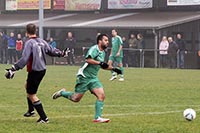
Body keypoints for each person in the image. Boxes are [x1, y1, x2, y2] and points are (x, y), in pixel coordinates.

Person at [52, 34, 122, 123]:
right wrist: (100, 63)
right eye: (105, 40)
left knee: (101, 96)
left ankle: (97, 118)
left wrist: (114, 69)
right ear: (100, 41)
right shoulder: (94, 49)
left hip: (93, 78)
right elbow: (88, 60)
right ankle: (62, 93)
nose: (107, 42)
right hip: (84, 77)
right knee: (75, 98)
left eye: (108, 40)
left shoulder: (103, 52)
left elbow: (102, 66)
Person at [5, 23, 64, 123]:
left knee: (32, 94)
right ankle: (31, 110)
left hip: (35, 70)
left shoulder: (29, 43)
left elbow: (24, 58)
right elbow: (52, 51)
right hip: (42, 69)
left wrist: (13, 68)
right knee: (27, 85)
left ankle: (44, 118)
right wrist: (62, 53)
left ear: (27, 32)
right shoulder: (42, 41)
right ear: (35, 31)